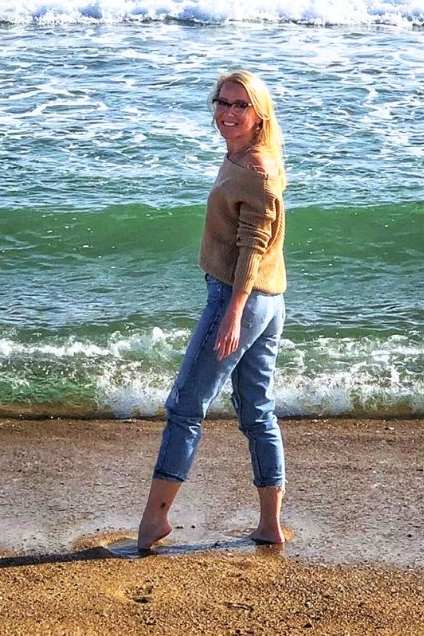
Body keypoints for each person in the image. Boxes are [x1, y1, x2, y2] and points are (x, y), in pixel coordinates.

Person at [137, 70, 288, 550]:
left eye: (241, 105)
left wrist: (232, 313)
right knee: (256, 409)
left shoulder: (256, 170)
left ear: (259, 114)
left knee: (185, 406)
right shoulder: (246, 157)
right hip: (269, 297)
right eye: (222, 102)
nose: (228, 112)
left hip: (238, 297)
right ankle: (269, 526)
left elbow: (252, 247)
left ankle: (154, 521)